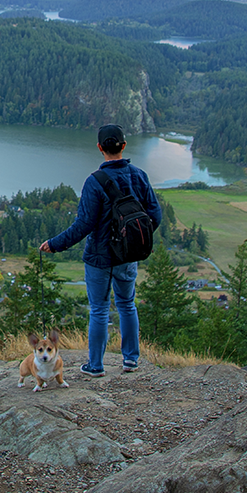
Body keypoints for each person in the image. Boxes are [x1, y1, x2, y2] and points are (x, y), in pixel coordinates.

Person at [39, 124, 162, 377]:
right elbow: (154, 216)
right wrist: (134, 242)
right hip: (128, 256)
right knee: (127, 304)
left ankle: (96, 365)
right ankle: (131, 360)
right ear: (123, 146)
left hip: (99, 257)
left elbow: (84, 225)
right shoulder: (139, 175)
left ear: (99, 148)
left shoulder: (94, 182)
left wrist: (54, 244)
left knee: (99, 309)